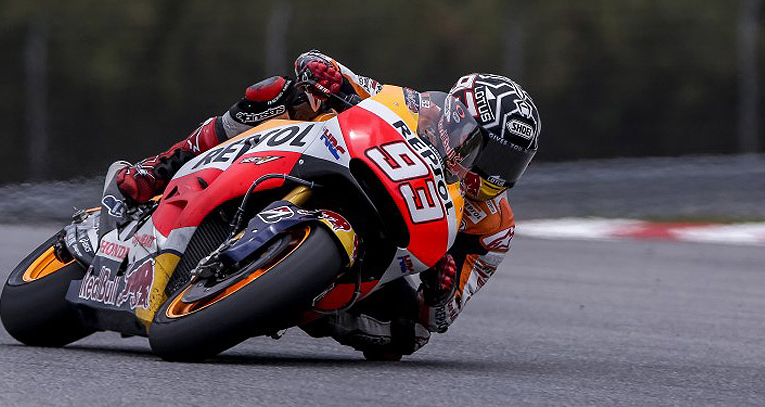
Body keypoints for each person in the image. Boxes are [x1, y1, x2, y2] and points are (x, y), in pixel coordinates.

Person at [115, 50, 541, 360]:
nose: (490, 172)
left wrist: (441, 288)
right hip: (328, 160)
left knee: (410, 335)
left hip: (384, 253)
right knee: (277, 93)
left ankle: (295, 298)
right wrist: (325, 74)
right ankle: (165, 165)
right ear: (454, 119)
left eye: (508, 163)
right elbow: (351, 82)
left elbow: (441, 316)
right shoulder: (416, 106)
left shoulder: (493, 229)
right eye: (487, 152)